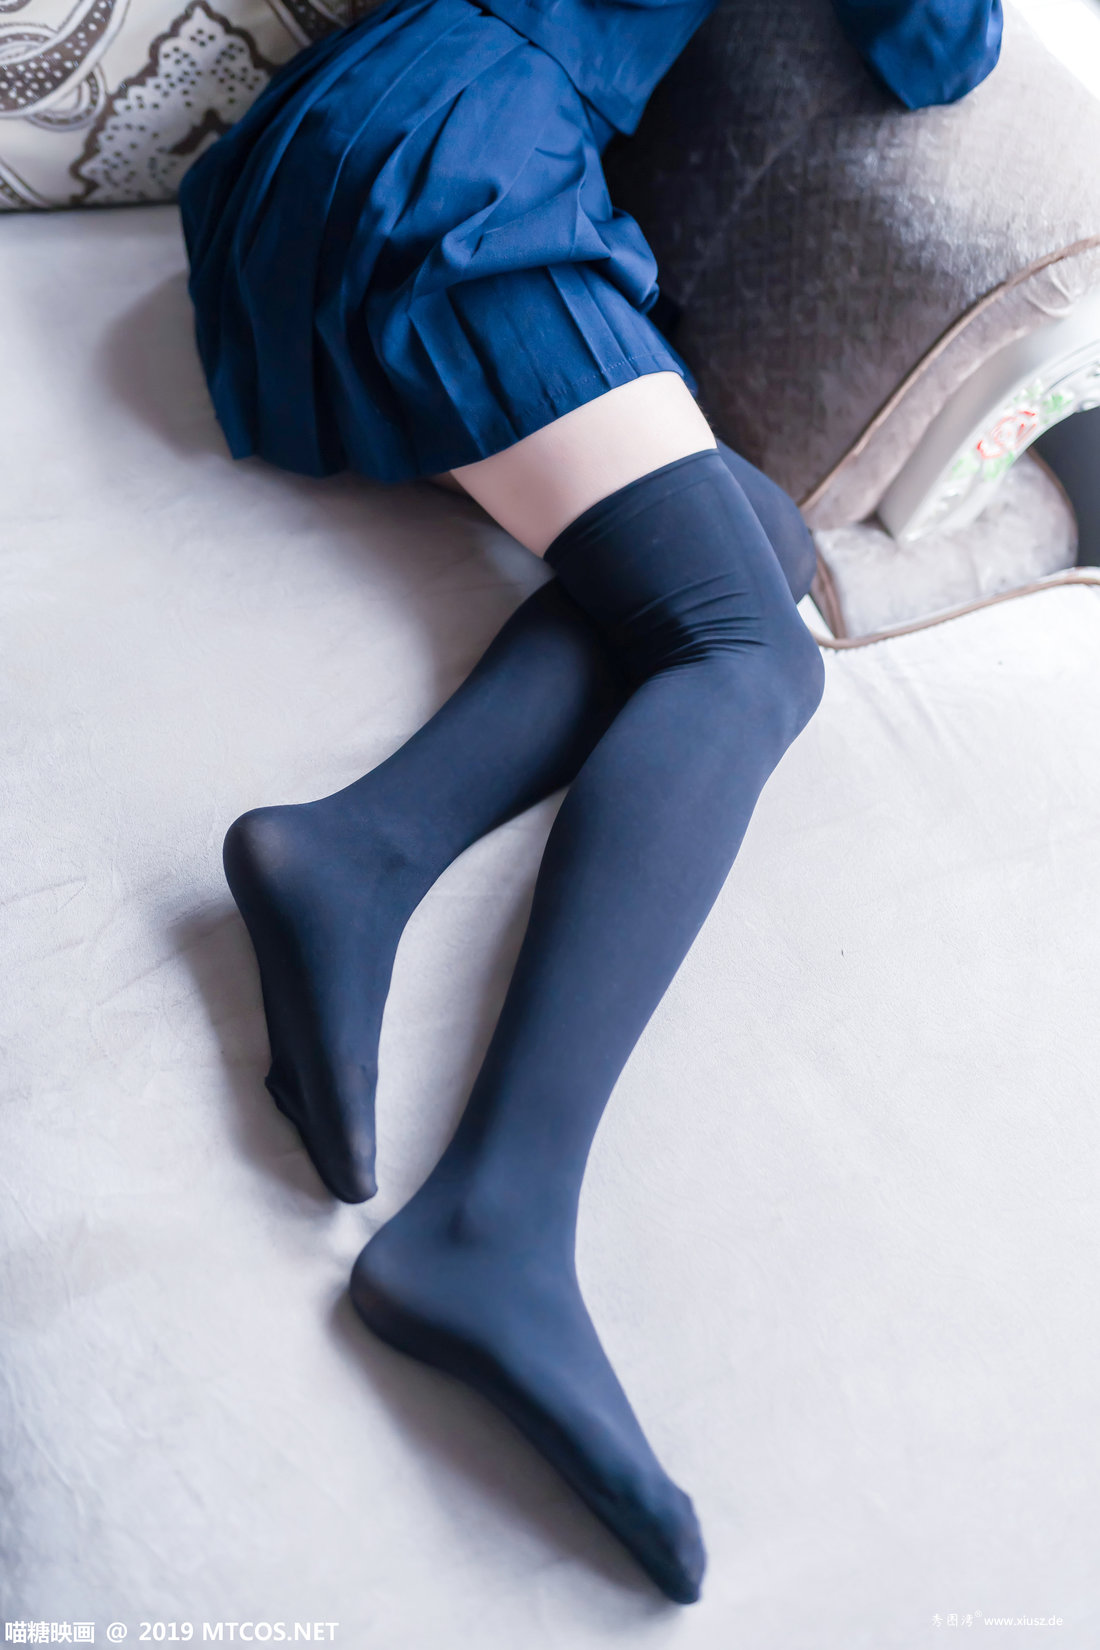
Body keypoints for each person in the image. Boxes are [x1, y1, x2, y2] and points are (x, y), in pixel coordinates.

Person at [178, 0, 1002, 1603]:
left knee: (760, 543)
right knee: (750, 660)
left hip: (359, 139)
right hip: (458, 169)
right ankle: (493, 1220)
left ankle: (354, 855)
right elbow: (937, 48)